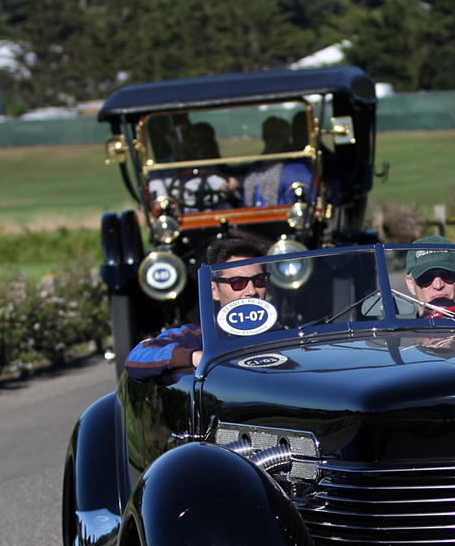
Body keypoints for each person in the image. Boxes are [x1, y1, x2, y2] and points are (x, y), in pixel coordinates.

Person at [124, 234, 271, 383]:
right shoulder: (197, 338)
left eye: (259, 281)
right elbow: (138, 356)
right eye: (238, 283)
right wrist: (194, 357)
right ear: (214, 290)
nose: (251, 291)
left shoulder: (285, 335)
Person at [239, 115, 314, 206]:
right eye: (268, 137)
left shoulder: (296, 166)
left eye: (277, 137)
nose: (272, 142)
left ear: (286, 138)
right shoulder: (258, 166)